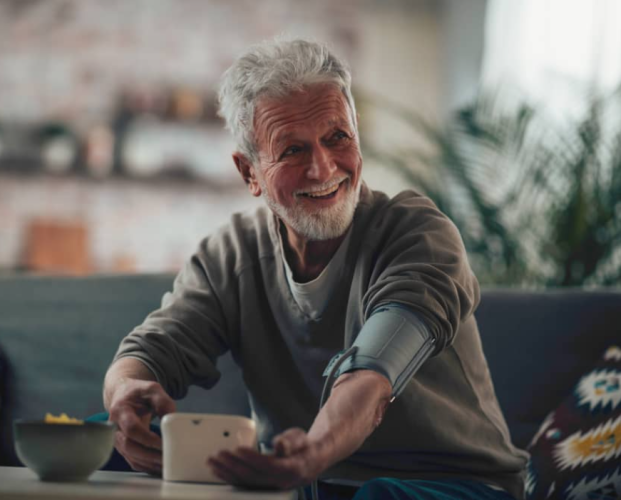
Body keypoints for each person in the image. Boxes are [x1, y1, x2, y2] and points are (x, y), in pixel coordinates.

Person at [102, 38, 528, 500]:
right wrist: (124, 394)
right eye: (292, 151)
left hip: (452, 485)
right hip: (307, 485)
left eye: (337, 138)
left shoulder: (417, 234)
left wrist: (312, 454)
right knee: (102, 440)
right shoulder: (232, 253)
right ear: (250, 173)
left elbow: (371, 376)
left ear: (357, 133)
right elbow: (151, 350)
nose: (323, 168)